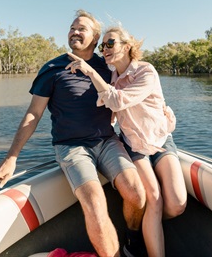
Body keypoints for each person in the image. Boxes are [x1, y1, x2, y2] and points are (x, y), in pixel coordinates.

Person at [0, 10, 146, 257]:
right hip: (72, 147)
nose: (74, 31)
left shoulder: (107, 66)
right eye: (72, 27)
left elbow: (131, 89)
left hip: (106, 140)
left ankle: (132, 241)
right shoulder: (52, 68)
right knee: (95, 203)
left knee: (136, 193)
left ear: (95, 39)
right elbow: (33, 114)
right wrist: (12, 157)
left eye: (82, 29)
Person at [66, 26, 187, 257]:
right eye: (103, 46)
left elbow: (117, 101)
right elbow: (107, 109)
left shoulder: (146, 72)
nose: (105, 49)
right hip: (134, 144)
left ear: (127, 46)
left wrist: (91, 72)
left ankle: (146, 224)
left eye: (110, 43)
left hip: (160, 141)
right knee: (154, 198)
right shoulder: (111, 77)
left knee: (177, 204)